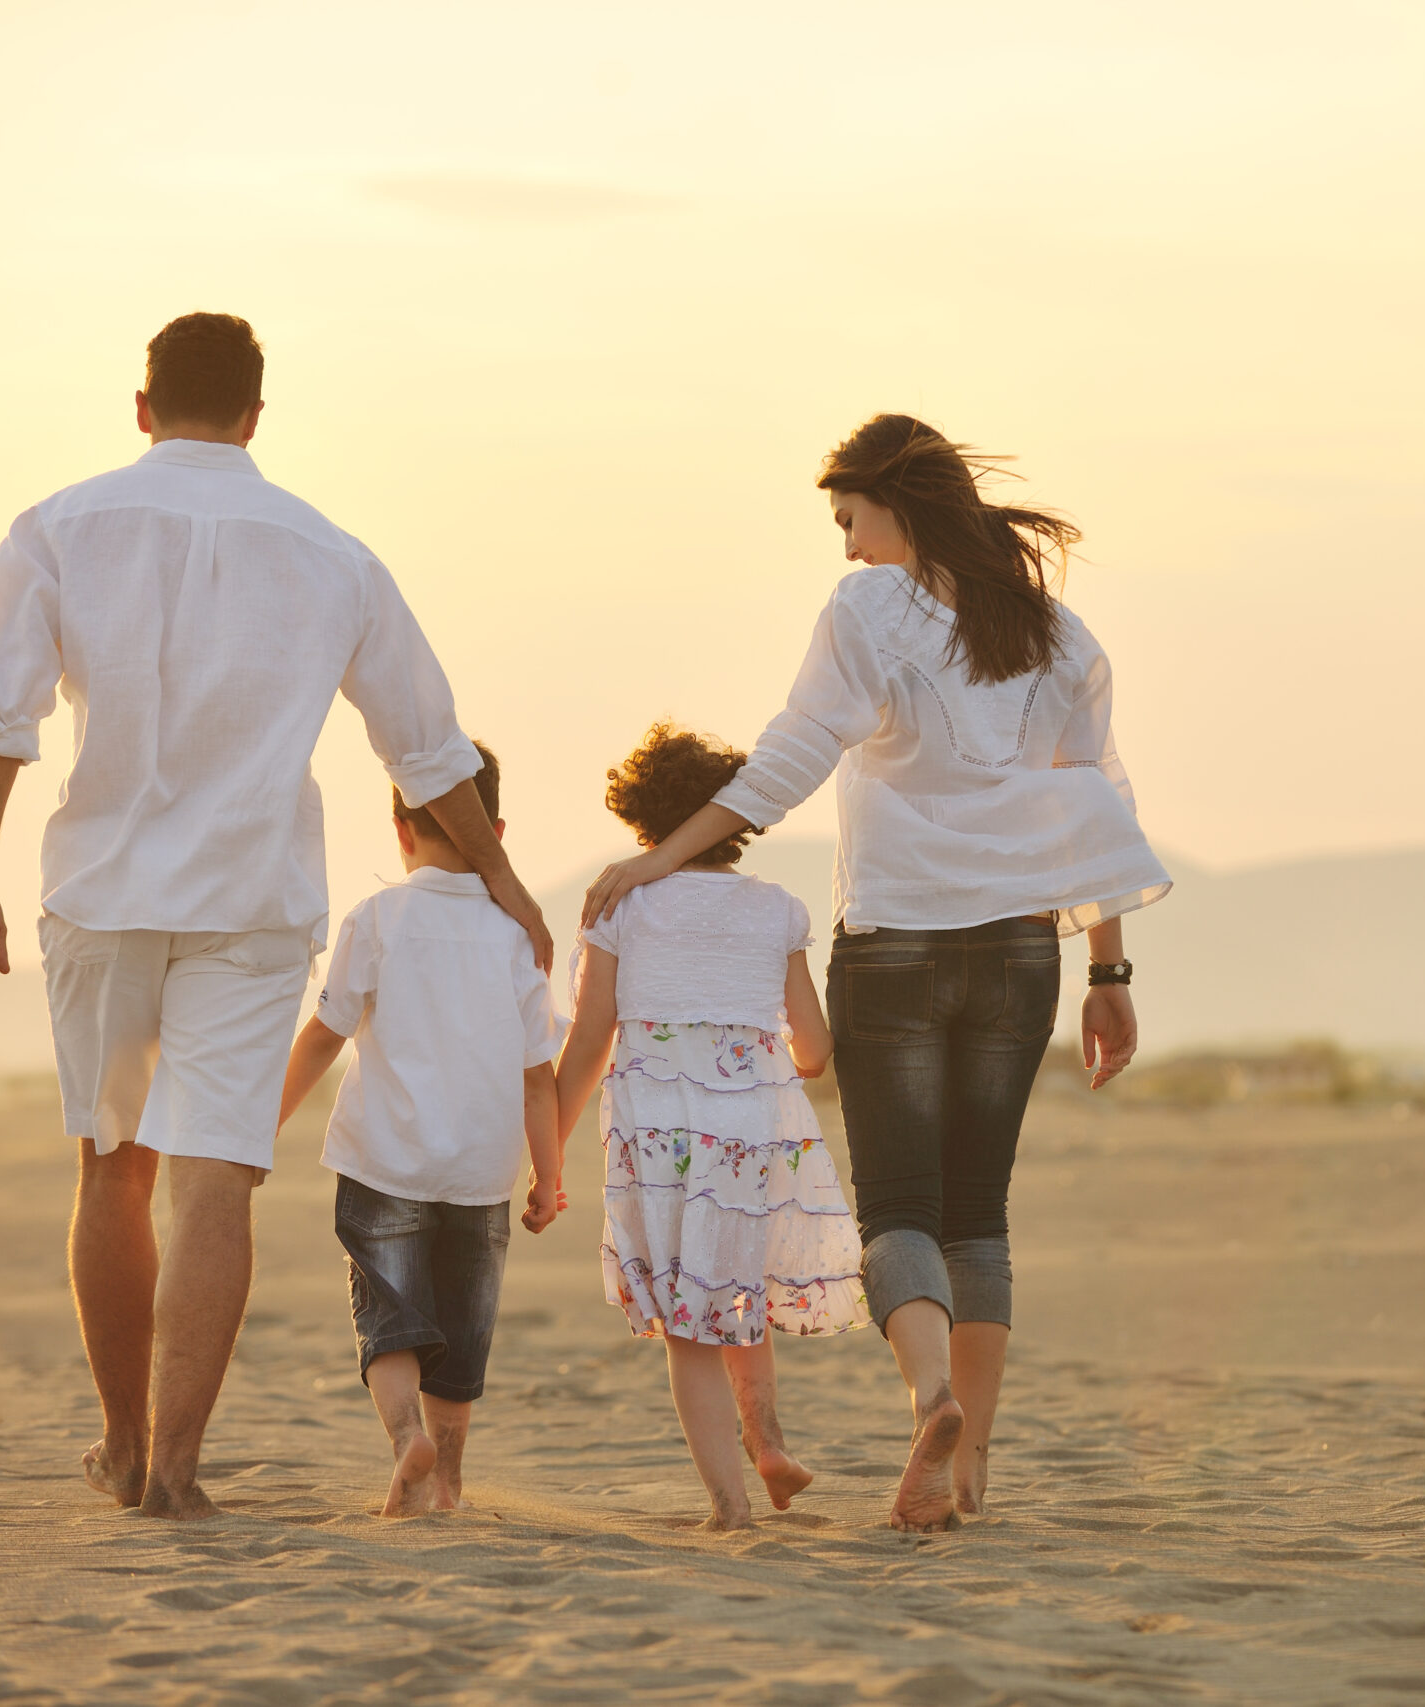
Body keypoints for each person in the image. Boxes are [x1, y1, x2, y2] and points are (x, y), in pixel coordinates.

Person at [0, 313, 550, 1523]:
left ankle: (123, 1446)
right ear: (257, 418)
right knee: (214, 1181)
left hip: (103, 897)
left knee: (115, 1167)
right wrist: (502, 877)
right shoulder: (331, 553)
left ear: (142, 405)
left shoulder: (59, 526)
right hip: (255, 904)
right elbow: (425, 750)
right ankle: (175, 1468)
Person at [582, 416, 1169, 1532]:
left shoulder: (866, 611)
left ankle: (933, 1396)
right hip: (1017, 949)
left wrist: (661, 855)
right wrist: (1110, 970)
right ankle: (970, 1469)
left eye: (849, 519)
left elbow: (794, 753)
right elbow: (1097, 802)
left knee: (897, 1205)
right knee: (978, 1213)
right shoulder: (1059, 634)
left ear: (895, 503)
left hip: (895, 938)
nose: (848, 548)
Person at [555, 722, 864, 1530]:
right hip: (751, 1131)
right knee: (737, 1287)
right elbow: (816, 1046)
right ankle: (766, 1445)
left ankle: (730, 1507)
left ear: (643, 817)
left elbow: (589, 1039)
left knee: (687, 1325)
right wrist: (759, 1062)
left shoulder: (622, 903)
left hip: (659, 1137)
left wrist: (546, 1152)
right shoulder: (776, 911)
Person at [274, 742, 564, 1516]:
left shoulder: (375, 917)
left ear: (399, 830)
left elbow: (324, 1035)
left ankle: (408, 1442)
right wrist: (551, 1174)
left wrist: (263, 1118)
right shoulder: (518, 938)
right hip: (481, 1174)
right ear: (495, 831)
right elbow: (540, 1075)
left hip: (385, 1164)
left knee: (387, 1319)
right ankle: (452, 1483)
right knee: (462, 1337)